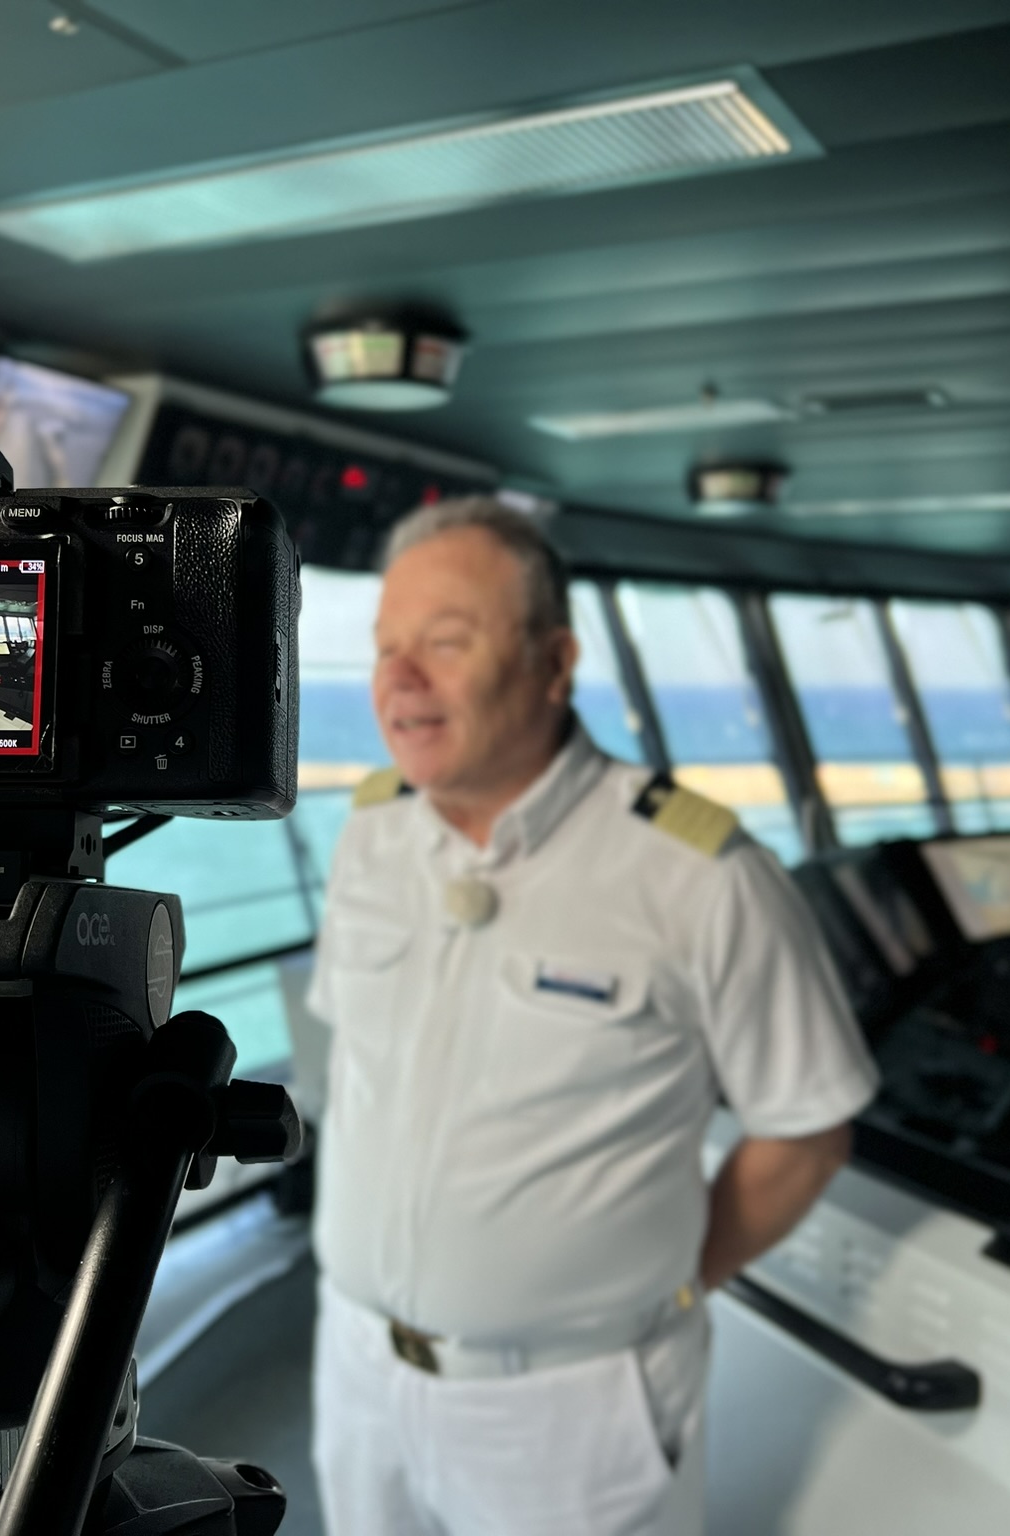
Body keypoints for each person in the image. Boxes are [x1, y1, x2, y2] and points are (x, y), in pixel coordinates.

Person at [307, 498, 879, 1536]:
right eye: (386, 647)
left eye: (444, 641)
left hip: (568, 1404)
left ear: (552, 660)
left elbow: (804, 1132)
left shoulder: (698, 875)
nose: (400, 680)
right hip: (355, 1366)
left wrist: (656, 1284)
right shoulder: (370, 834)